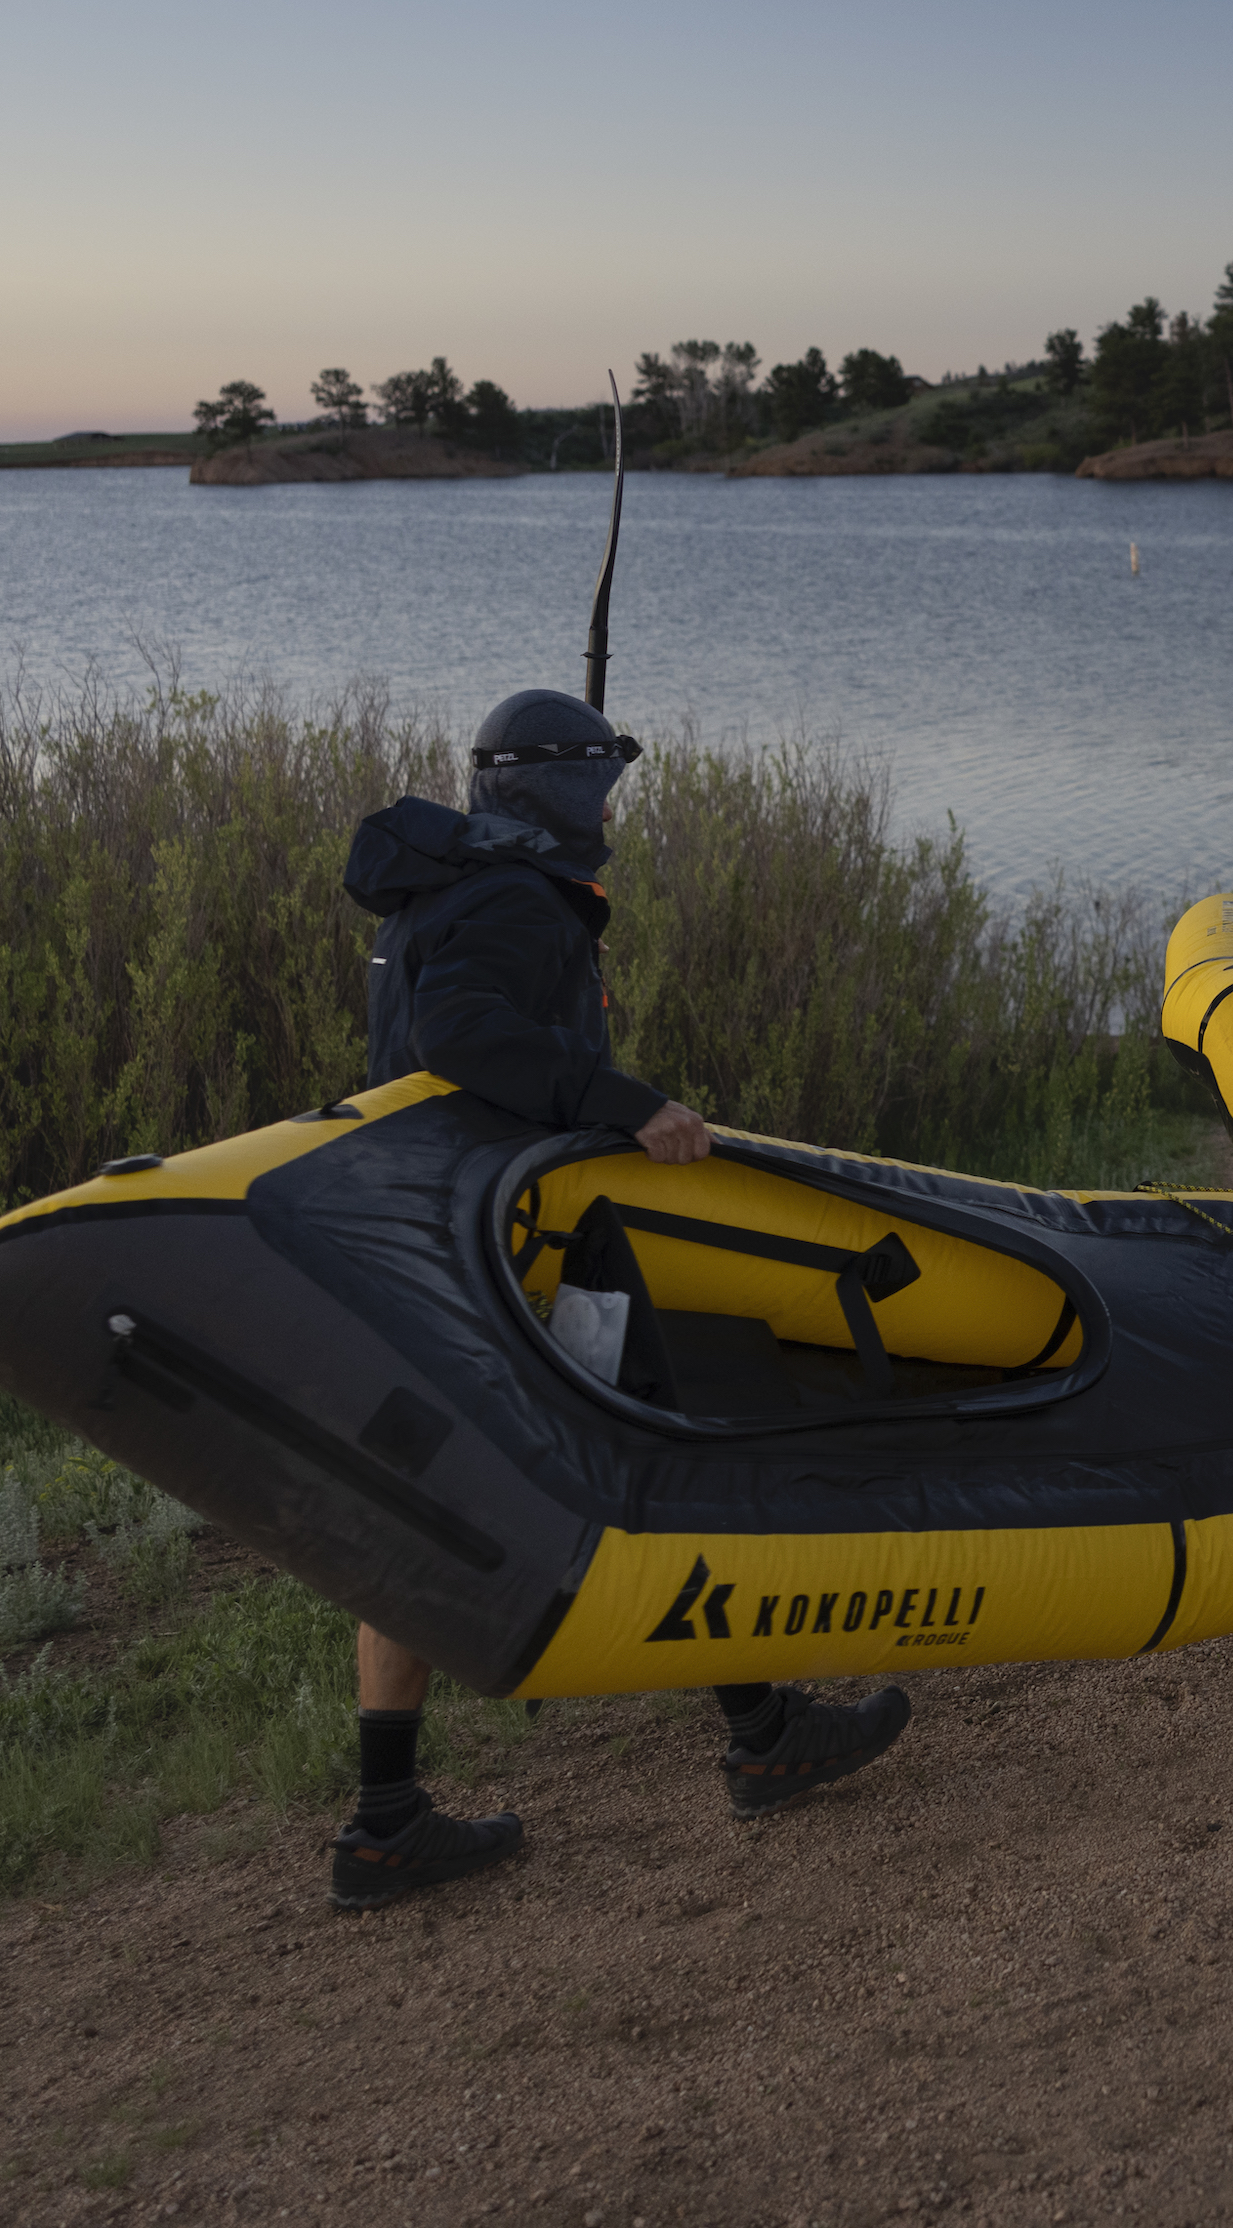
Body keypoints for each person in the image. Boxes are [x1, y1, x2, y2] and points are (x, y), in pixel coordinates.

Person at [323, 687, 911, 1912]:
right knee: (675, 1451)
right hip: (519, 1243)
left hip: (439, 1228)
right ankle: (763, 1735)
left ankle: (386, 1822)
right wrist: (625, 1100)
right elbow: (463, 1034)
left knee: (417, 1515)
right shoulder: (503, 895)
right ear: (557, 790)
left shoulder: (442, 881)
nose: (611, 809)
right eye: (601, 785)